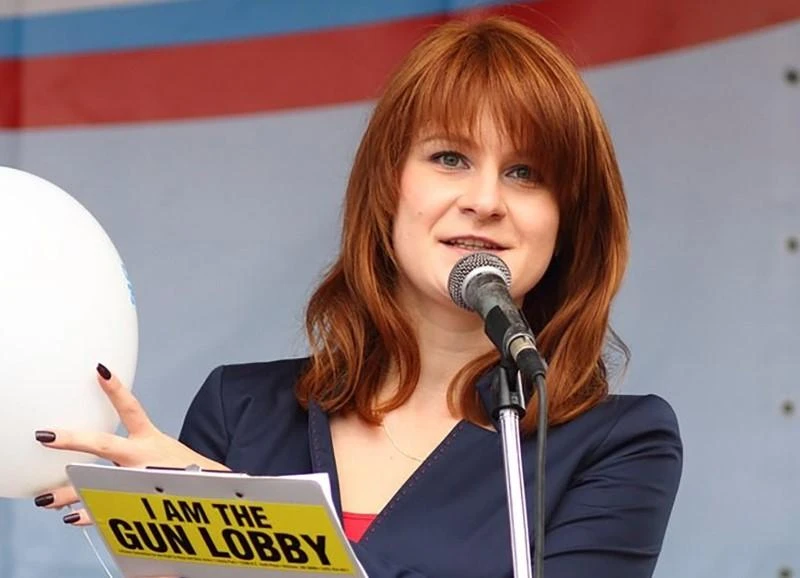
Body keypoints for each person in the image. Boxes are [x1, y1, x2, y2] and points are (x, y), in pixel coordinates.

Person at [33, 16, 682, 577]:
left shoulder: (620, 444)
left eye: (524, 172)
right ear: (387, 185)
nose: (485, 200)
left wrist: (239, 521)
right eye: (450, 158)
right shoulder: (239, 410)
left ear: (568, 220)